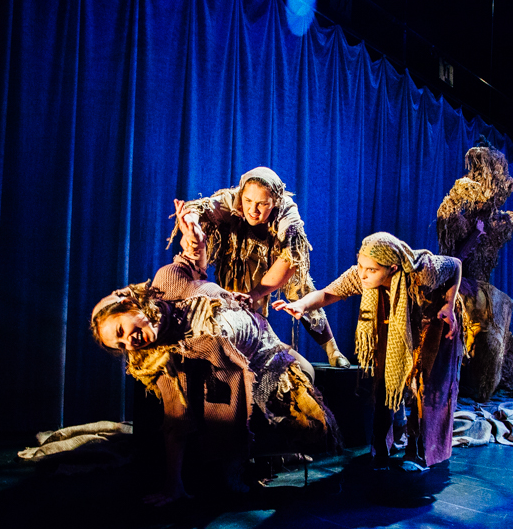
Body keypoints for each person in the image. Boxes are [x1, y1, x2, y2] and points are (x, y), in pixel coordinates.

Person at [91, 255, 338, 505]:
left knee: (309, 372)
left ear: (128, 305)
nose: (129, 343)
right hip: (252, 374)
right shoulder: (165, 356)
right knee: (304, 424)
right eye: (120, 345)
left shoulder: (167, 281)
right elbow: (176, 419)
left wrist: (196, 240)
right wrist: (173, 484)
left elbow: (195, 262)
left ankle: (271, 456)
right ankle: (253, 459)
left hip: (266, 340)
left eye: (121, 331)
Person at [273, 232, 463, 471]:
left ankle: (417, 450)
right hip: (396, 327)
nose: (362, 274)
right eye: (360, 265)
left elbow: (456, 265)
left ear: (393, 268)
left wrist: (449, 304)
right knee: (384, 382)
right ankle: (382, 447)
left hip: (433, 322)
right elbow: (327, 294)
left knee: (425, 388)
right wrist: (300, 305)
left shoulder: (423, 271)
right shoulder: (360, 276)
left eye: (371, 270)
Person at [172, 166, 350, 367]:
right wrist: (192, 225)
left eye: (262, 204)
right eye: (248, 201)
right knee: (236, 303)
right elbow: (198, 209)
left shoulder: (287, 213)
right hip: (241, 257)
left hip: (280, 257)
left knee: (301, 289)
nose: (253, 210)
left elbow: (290, 259)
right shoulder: (231, 200)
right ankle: (239, 356)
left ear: (275, 202)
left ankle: (332, 350)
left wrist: (257, 293)